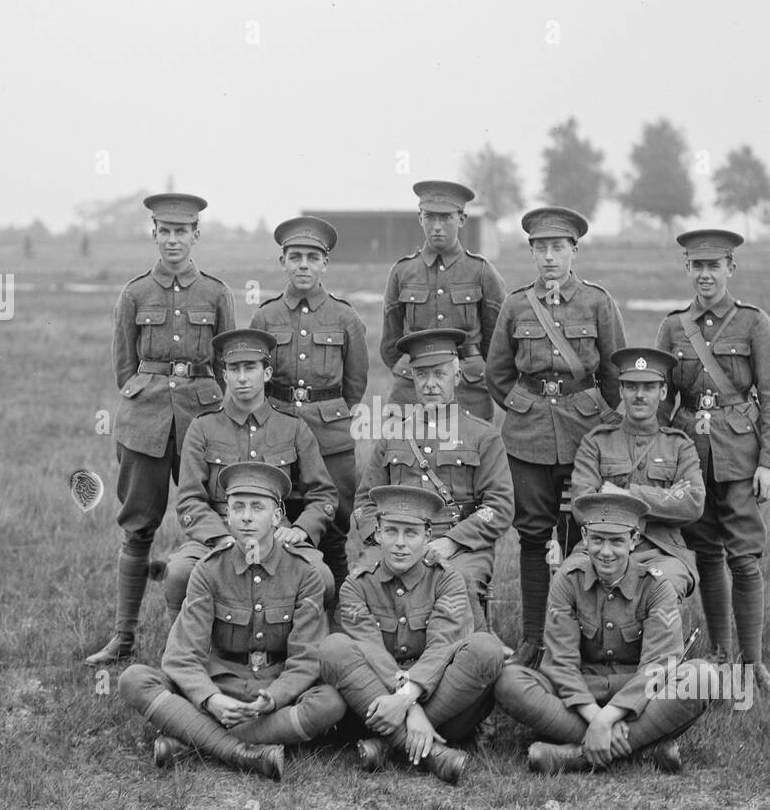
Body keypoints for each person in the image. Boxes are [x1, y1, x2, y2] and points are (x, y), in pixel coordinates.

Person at [118, 462, 347, 781]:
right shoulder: (208, 570)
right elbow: (182, 656)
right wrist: (211, 699)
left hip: (274, 687)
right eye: (237, 507)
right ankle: (243, 751)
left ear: (277, 515)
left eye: (257, 507)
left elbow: (306, 658)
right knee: (134, 679)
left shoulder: (304, 574)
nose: (247, 516)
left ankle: (194, 739)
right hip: (220, 683)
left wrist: (275, 698)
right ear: (227, 515)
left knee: (331, 702)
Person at [87, 193, 235, 666]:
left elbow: (225, 361)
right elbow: (123, 367)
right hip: (145, 422)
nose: (173, 241)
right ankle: (123, 637)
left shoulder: (217, 293)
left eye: (182, 232)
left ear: (197, 235)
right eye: (165, 231)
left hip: (202, 420)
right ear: (154, 233)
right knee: (137, 527)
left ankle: (216, 638)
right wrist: (146, 392)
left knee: (214, 522)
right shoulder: (133, 293)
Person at [485, 206, 625, 667]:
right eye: (540, 248)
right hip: (526, 438)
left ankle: (576, 640)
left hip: (584, 434)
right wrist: (524, 406)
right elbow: (497, 374)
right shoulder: (517, 304)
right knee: (532, 536)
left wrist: (593, 413)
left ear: (574, 251)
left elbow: (614, 374)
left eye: (557, 248)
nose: (549, 257)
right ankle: (531, 638)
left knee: (579, 534)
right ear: (531, 252)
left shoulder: (598, 303)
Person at [655, 229, 770, 694]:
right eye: (697, 266)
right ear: (687, 270)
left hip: (740, 454)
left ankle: (752, 664)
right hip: (692, 452)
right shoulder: (674, 327)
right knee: (707, 553)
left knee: (744, 557)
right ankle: (719, 655)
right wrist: (655, 457)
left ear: (730, 268)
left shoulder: (754, 323)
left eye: (714, 266)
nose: (705, 275)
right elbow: (661, 397)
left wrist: (769, 463)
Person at [494, 492, 712, 774]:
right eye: (597, 539)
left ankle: (575, 755)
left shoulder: (656, 587)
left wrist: (608, 717)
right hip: (579, 694)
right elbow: (560, 663)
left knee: (701, 677)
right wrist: (596, 717)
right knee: (509, 680)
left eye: (617, 541)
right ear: (584, 537)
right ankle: (642, 748)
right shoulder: (568, 580)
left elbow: (657, 667)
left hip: (639, 695)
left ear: (633, 541)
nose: (606, 552)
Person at [319, 486, 504, 785]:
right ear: (377, 534)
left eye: (411, 533)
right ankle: (432, 754)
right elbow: (371, 651)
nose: (400, 544)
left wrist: (407, 698)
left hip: (439, 701)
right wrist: (409, 707)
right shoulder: (356, 584)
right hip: (376, 699)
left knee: (487, 648)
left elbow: (443, 646)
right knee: (332, 648)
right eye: (391, 531)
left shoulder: (448, 579)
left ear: (427, 536)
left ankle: (388, 743)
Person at [161, 329, 338, 616]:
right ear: (225, 375)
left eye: (250, 368)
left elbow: (323, 494)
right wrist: (220, 537)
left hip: (275, 530)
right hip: (220, 530)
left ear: (267, 373)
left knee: (322, 577)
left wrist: (300, 530)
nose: (242, 378)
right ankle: (185, 652)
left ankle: (298, 649)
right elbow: (189, 499)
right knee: (180, 573)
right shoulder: (203, 428)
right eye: (234, 369)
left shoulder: (292, 428)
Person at [353, 328, 514, 633]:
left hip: (460, 543)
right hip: (397, 539)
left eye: (439, 374)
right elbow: (364, 503)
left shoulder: (483, 436)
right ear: (411, 378)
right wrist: (387, 541)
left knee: (458, 581)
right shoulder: (393, 435)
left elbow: (499, 506)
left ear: (457, 377)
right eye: (421, 375)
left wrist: (452, 542)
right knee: (363, 577)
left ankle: (474, 656)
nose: (430, 385)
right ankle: (375, 658)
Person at [250, 216, 367, 601]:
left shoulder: (345, 317)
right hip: (278, 432)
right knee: (279, 521)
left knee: (333, 531)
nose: (304, 264)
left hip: (330, 437)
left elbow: (354, 384)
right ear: (283, 261)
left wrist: (327, 412)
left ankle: (336, 616)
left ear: (325, 264)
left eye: (312, 257)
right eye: (295, 256)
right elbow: (255, 376)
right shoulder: (266, 317)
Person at [571, 347, 703, 601]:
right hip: (601, 548)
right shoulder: (597, 442)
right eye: (631, 387)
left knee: (663, 585)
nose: (639, 395)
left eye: (649, 387)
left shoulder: (679, 445)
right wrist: (665, 498)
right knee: (569, 576)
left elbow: (693, 503)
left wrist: (625, 494)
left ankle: (663, 642)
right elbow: (582, 506)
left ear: (663, 392)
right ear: (621, 391)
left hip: (661, 551)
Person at [381, 181, 507, 421]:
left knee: (469, 452)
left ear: (462, 219)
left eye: (446, 217)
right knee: (403, 452)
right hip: (412, 386)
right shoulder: (402, 272)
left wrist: (474, 369)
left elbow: (498, 343)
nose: (437, 227)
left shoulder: (481, 272)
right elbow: (390, 344)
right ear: (420, 218)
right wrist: (415, 372)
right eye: (430, 217)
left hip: (468, 386)